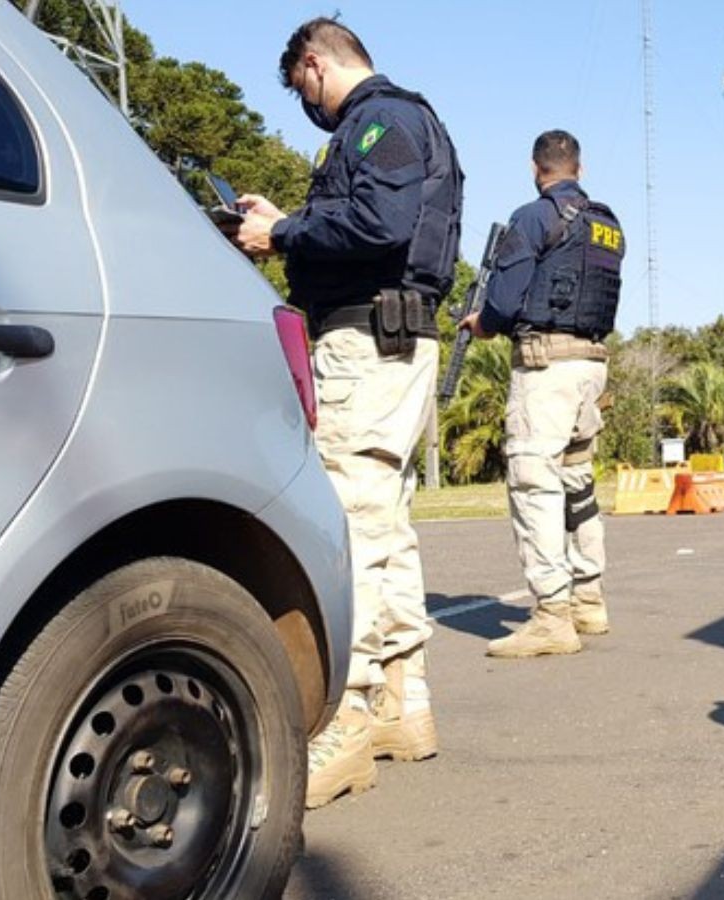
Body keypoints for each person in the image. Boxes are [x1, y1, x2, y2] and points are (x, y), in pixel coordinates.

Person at [230, 16, 464, 808]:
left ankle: (349, 721)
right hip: (393, 341)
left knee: (354, 524)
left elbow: (379, 224)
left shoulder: (378, 120)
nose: (309, 106)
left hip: (367, 343)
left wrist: (283, 231)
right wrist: (285, 222)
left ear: (315, 62)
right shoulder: (402, 120)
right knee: (385, 524)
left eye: (303, 88)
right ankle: (403, 705)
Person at [458, 130, 622, 660]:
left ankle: (552, 615)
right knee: (577, 481)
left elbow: (504, 303)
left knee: (534, 482)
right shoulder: (607, 224)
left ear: (536, 169)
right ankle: (588, 599)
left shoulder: (533, 217)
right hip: (591, 364)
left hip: (546, 368)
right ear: (580, 167)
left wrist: (483, 323)